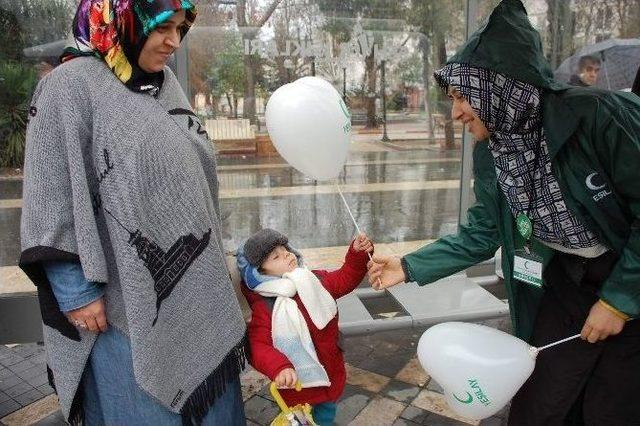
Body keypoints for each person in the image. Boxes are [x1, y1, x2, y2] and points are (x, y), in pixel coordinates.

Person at [367, 1, 640, 425]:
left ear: (500, 89)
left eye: (462, 97)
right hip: (565, 280)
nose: (455, 112)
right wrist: (407, 265)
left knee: (612, 405)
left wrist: (619, 302)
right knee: (540, 401)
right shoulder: (494, 153)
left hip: (630, 272)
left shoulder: (597, 117)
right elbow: (482, 232)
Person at [19, 1, 248, 424]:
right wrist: (76, 293)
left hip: (196, 288)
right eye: (163, 27)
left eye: (181, 29)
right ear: (120, 19)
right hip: (119, 301)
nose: (173, 41)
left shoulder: (163, 83)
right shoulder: (68, 88)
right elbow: (49, 199)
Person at [237, 229, 373, 425]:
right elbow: (258, 346)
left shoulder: (313, 280)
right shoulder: (266, 306)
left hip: (330, 372)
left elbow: (345, 278)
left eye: (285, 250)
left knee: (326, 414)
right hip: (298, 385)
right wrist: (279, 368)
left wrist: (357, 255)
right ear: (261, 272)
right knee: (300, 418)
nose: (285, 255)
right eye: (276, 257)